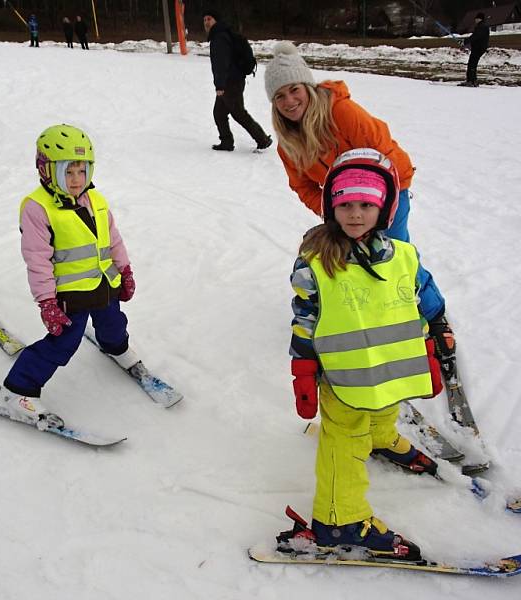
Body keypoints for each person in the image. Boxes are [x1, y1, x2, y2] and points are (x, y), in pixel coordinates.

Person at [280, 148, 448, 561]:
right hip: (343, 378)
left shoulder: (404, 255)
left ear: (385, 207)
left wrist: (436, 330)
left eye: (366, 205)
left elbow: (418, 296)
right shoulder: (317, 261)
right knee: (343, 442)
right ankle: (339, 520)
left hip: (388, 371)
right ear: (331, 206)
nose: (356, 214)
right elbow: (305, 318)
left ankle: (381, 438)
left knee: (383, 407)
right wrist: (303, 370)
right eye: (346, 204)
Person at [264, 41, 454, 374]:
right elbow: (303, 186)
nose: (289, 101)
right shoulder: (288, 143)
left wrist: (377, 212)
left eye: (294, 90)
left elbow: (385, 157)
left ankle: (434, 315)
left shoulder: (341, 112)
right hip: (346, 208)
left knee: (398, 257)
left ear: (306, 87)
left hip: (389, 193)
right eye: (279, 96)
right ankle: (376, 313)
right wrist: (333, 214)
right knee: (354, 259)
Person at [0, 124, 138, 418]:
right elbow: (37, 259)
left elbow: (113, 238)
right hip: (69, 294)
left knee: (113, 322)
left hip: (103, 282)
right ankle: (19, 389)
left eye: (82, 170)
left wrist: (124, 271)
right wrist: (47, 301)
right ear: (47, 171)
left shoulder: (96, 199)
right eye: (68, 171)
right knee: (63, 342)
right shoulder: (38, 208)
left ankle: (116, 347)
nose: (76, 179)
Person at [202, 9, 271, 152]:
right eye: (205, 20)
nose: (207, 22)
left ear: (216, 21)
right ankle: (226, 142)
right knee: (219, 113)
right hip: (232, 80)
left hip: (230, 82)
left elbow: (221, 62)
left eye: (209, 19)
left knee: (238, 113)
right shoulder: (221, 34)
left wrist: (220, 85)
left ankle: (262, 139)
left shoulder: (219, 37)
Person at [463, 12, 490, 87]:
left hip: (478, 48)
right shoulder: (482, 26)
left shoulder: (481, 27)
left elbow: (475, 36)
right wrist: (466, 41)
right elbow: (475, 36)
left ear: (479, 19)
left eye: (476, 19)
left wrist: (466, 41)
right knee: (473, 64)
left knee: (471, 64)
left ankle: (470, 81)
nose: (475, 20)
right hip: (479, 48)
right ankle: (473, 81)